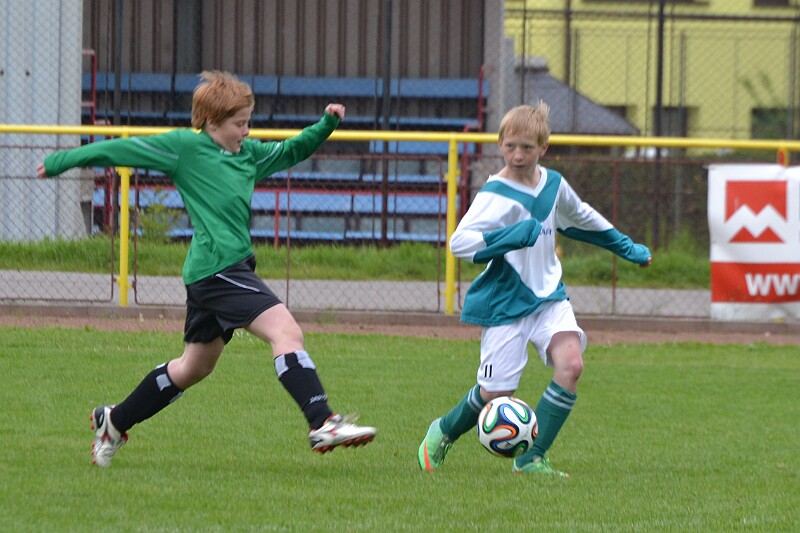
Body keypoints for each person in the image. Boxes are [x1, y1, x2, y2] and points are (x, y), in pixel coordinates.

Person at [37, 70, 377, 467]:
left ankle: (113, 421)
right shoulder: (185, 148)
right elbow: (120, 150)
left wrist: (326, 124)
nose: (246, 131)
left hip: (216, 271)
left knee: (193, 367)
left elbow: (291, 150)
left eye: (248, 122)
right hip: (219, 269)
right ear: (211, 122)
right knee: (286, 332)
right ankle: (323, 421)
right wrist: (61, 161)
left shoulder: (247, 155)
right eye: (239, 124)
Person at [417, 102, 651, 477]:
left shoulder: (553, 184)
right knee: (494, 394)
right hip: (506, 302)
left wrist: (625, 247)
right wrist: (510, 236)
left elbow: (581, 216)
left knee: (572, 365)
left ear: (543, 147)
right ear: (500, 144)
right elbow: (459, 242)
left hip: (550, 297)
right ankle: (444, 430)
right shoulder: (494, 194)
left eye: (527, 147)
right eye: (510, 146)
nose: (517, 155)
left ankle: (531, 458)